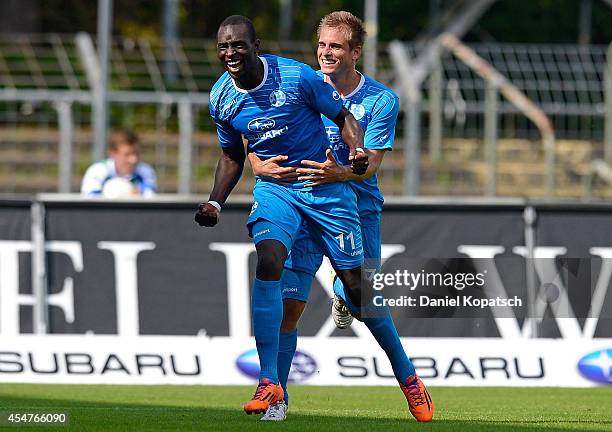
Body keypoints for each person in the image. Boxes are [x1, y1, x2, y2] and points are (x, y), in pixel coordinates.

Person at [248, 11, 434, 423]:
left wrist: (342, 172)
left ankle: (408, 378)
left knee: (364, 299)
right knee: (290, 305)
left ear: (355, 51)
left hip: (357, 207)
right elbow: (255, 129)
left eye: (335, 46)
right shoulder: (299, 85)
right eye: (322, 45)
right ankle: (277, 399)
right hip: (303, 202)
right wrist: (255, 163)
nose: (326, 53)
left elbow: (373, 165)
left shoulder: (380, 100)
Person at [194, 15, 369, 415]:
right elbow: (233, 153)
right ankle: (272, 387)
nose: (230, 53)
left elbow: (347, 122)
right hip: (280, 197)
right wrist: (215, 201)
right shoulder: (221, 97)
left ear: (257, 44)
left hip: (337, 195)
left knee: (362, 296)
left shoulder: (303, 78)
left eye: (238, 44)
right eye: (223, 46)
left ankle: (407, 375)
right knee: (273, 267)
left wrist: (355, 157)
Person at [80, 128, 157, 197]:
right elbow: (89, 203)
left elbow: (150, 198)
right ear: (112, 153)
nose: (133, 159)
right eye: (127, 154)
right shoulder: (97, 171)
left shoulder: (145, 171)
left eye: (136, 153)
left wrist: (139, 193)